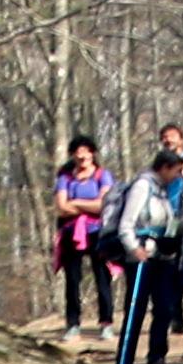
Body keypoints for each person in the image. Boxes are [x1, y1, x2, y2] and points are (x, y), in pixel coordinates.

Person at [108, 140, 183, 364]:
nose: (179, 175)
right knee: (135, 310)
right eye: (176, 170)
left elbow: (165, 226)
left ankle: (157, 362)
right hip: (141, 259)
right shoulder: (142, 186)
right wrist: (134, 248)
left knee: (165, 309)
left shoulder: (162, 189)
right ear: (164, 167)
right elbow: (126, 224)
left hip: (162, 257)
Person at [49, 134, 117, 332]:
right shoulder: (65, 178)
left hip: (98, 232)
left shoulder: (103, 175)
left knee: (102, 276)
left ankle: (106, 322)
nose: (82, 157)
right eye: (78, 153)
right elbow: (61, 207)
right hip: (71, 232)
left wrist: (76, 203)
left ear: (92, 154)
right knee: (72, 279)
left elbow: (103, 204)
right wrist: (89, 207)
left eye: (86, 152)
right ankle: (72, 323)